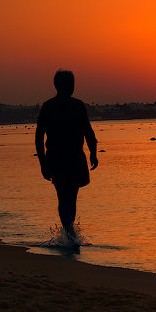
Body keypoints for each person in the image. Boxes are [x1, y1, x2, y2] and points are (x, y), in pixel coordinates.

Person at [35, 69, 98, 242]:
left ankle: (68, 231)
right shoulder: (49, 107)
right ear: (57, 86)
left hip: (74, 157)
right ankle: (68, 231)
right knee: (64, 195)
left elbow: (88, 131)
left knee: (70, 196)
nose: (69, 88)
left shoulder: (78, 105)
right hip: (57, 159)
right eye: (66, 84)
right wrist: (42, 163)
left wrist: (93, 152)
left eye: (71, 84)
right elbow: (39, 137)